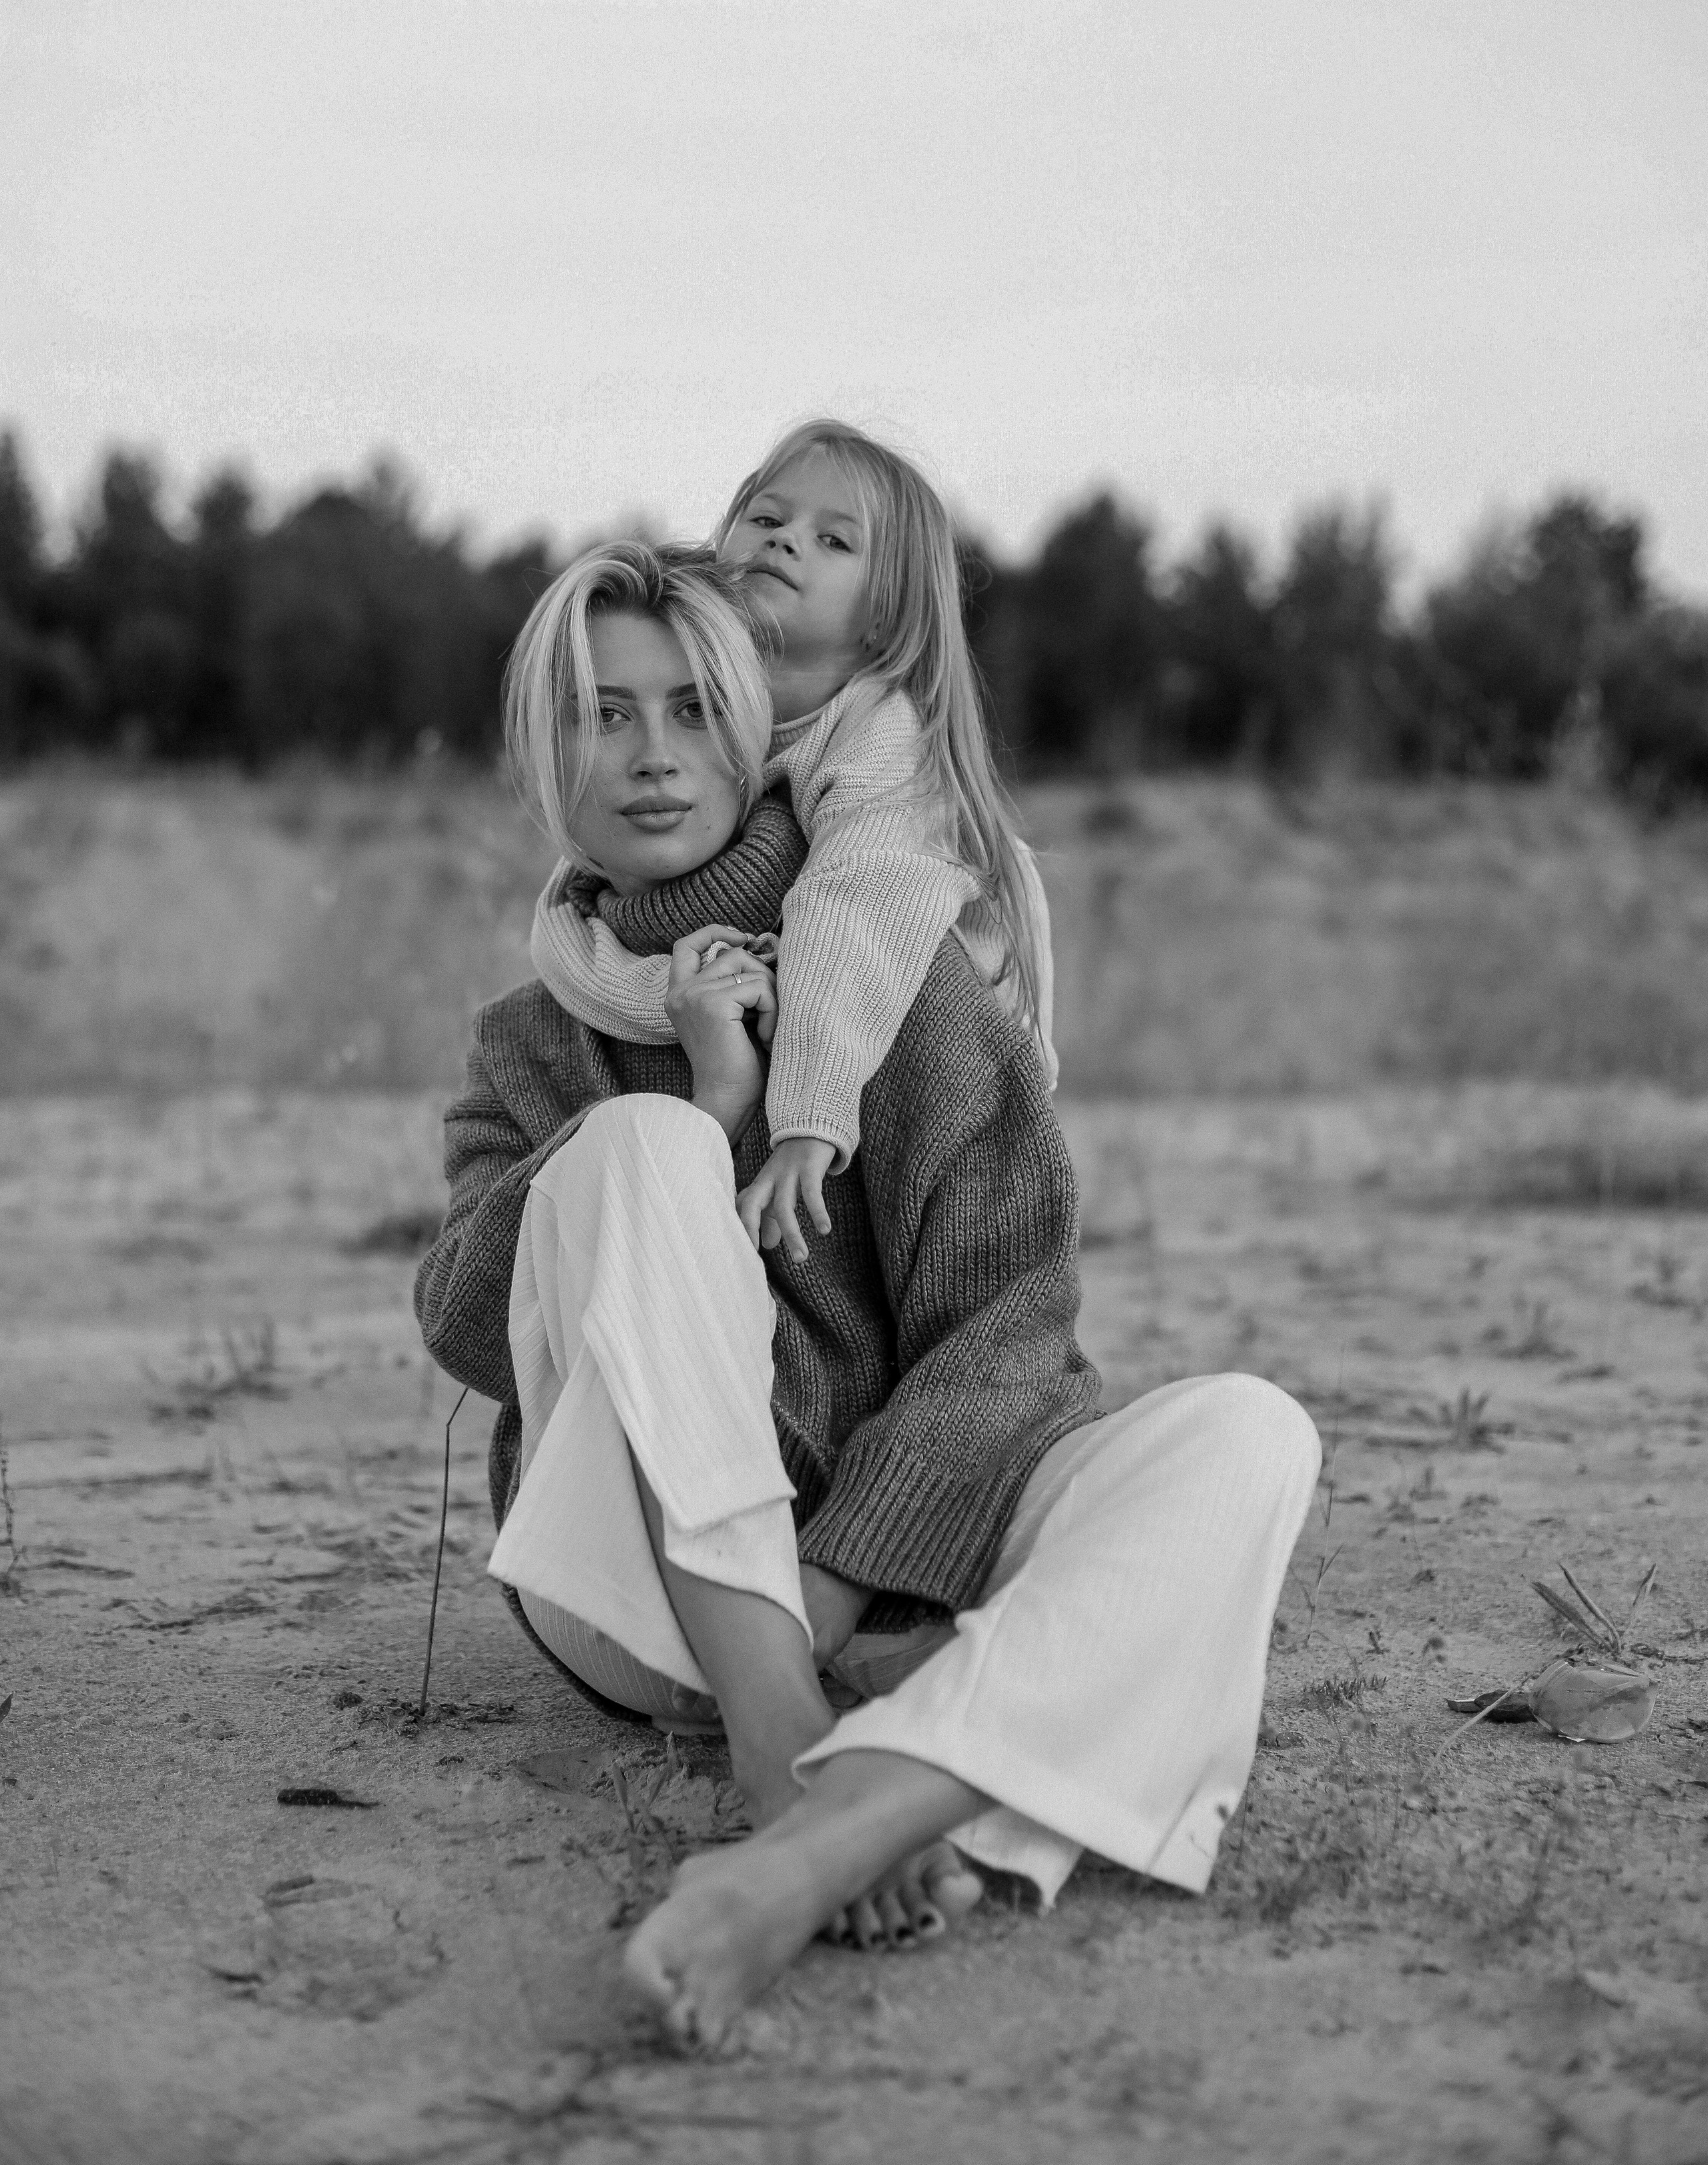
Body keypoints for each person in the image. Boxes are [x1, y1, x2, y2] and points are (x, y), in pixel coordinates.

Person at [414, 538, 1320, 2054]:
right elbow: (461, 1315)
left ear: (761, 727)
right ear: (540, 748)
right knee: (633, 1146)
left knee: (1247, 1434)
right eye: (603, 713)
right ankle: (784, 1738)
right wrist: (710, 1107)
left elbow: (1010, 1335)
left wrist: (834, 1573)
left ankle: (820, 1838)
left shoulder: (896, 979)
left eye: (696, 708)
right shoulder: (528, 1037)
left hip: (898, 1590)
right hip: (644, 1607)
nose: (651, 756)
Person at [527, 420, 1057, 1266]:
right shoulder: (718, 706)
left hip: (923, 1041)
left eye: (834, 539)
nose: (785, 540)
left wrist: (809, 1120)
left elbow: (853, 909)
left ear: (890, 611)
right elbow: (600, 859)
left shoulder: (885, 733)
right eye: (766, 517)